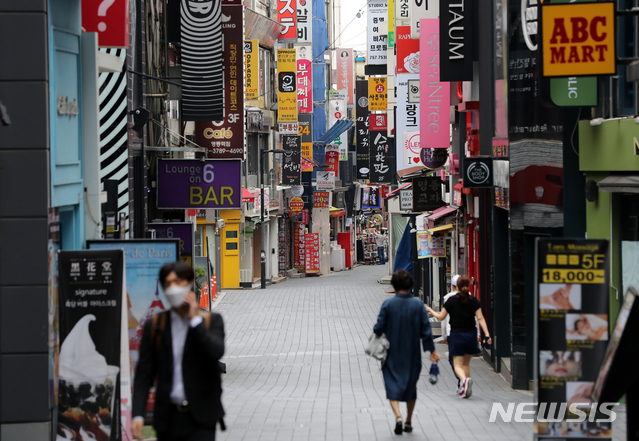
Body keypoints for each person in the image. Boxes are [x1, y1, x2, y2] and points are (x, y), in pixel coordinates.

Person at [132, 262, 225, 441]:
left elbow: (216, 352)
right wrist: (138, 414)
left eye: (178, 282)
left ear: (190, 283)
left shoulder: (210, 321)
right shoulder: (155, 326)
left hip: (201, 417)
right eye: (168, 284)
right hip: (167, 418)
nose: (173, 288)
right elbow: (144, 375)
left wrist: (195, 321)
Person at [373, 269, 440, 434]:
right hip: (412, 353)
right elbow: (426, 330)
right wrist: (431, 350)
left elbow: (378, 328)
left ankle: (398, 417)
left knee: (392, 385)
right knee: (411, 387)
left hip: (392, 352)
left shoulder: (388, 305)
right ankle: (409, 420)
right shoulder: (417, 305)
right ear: (410, 285)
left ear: (394, 286)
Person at [425, 276, 491, 398]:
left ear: (456, 286)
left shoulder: (451, 301)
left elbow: (440, 317)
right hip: (471, 335)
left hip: (456, 335)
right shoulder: (474, 301)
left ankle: (464, 381)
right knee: (466, 364)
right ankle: (465, 387)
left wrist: (430, 310)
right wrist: (486, 334)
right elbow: (480, 318)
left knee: (457, 365)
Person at [440, 274, 461, 388]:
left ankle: (461, 380)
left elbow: (443, 319)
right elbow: (477, 318)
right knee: (464, 360)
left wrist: (444, 336)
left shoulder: (448, 298)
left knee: (453, 359)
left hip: (452, 333)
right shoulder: (470, 297)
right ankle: (463, 381)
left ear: (453, 286)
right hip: (468, 332)